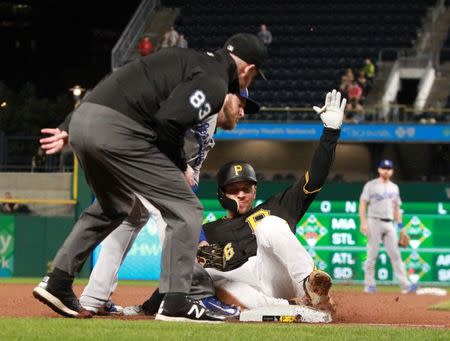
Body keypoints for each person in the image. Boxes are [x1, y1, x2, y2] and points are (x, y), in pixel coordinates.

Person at [32, 33, 267, 323]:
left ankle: (58, 280)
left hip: (84, 121)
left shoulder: (180, 58)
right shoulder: (215, 81)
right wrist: (180, 165)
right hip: (120, 131)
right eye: (253, 78)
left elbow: (119, 79)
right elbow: (169, 122)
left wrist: (70, 124)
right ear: (249, 70)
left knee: (115, 206)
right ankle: (177, 302)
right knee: (186, 209)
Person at [125, 89, 346, 315]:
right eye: (234, 190)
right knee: (210, 278)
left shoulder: (278, 206)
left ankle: (310, 287)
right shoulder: (207, 232)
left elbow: (315, 178)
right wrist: (148, 307)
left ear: (254, 190)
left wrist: (331, 132)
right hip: (245, 289)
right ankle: (295, 308)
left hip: (276, 275)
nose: (241, 194)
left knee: (270, 224)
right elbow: (181, 270)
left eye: (246, 189)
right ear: (222, 194)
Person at [78, 89, 260, 315]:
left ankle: (93, 298)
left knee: (128, 224)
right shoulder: (204, 102)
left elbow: (189, 183)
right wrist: (181, 166)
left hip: (140, 165)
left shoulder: (210, 123)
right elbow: (165, 125)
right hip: (147, 163)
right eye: (240, 104)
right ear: (226, 96)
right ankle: (192, 298)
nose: (242, 112)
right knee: (176, 224)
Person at [359, 159, 416, 294]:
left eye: (389, 168)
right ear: (379, 170)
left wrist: (401, 227)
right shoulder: (371, 185)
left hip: (390, 223)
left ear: (392, 171)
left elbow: (397, 209)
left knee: (396, 255)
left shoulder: (394, 187)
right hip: (374, 221)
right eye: (384, 168)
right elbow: (362, 204)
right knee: (371, 254)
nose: (386, 170)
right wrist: (363, 222)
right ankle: (369, 285)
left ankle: (405, 285)